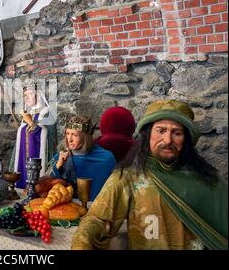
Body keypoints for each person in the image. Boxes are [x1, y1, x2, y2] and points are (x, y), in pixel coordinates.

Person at [71, 100, 228, 250]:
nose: (167, 140)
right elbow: (96, 220)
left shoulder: (207, 180)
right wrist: (81, 244)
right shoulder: (127, 178)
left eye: (177, 133)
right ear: (148, 135)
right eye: (160, 131)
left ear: (185, 139)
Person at [50, 114, 116, 201]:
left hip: (100, 209)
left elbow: (114, 190)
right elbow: (49, 191)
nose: (69, 139)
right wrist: (58, 166)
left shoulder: (106, 158)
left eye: (74, 135)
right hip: (71, 210)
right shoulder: (61, 158)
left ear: (85, 138)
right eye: (68, 133)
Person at [9, 80, 57, 189]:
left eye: (30, 94)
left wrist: (30, 122)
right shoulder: (28, 113)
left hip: (38, 158)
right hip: (24, 159)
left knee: (38, 187)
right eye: (25, 95)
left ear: (38, 95)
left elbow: (47, 134)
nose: (27, 97)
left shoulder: (47, 113)